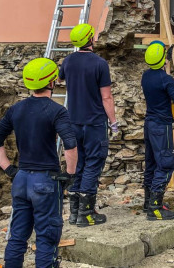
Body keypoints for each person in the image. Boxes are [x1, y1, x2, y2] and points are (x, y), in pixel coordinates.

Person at [0, 58, 78, 268]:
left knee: (18, 235)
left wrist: (10, 169)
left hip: (21, 180)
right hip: (46, 181)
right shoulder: (56, 111)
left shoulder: (16, 109)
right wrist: (70, 175)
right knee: (46, 237)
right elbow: (70, 145)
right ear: (52, 82)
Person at [59, 23, 118, 227]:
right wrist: (114, 122)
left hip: (73, 122)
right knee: (94, 162)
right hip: (94, 123)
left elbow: (61, 81)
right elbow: (107, 97)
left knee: (78, 164)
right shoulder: (99, 64)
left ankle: (75, 212)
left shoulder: (68, 61)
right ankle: (86, 213)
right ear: (91, 39)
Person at [141, 41, 174, 220]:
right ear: (164, 59)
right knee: (165, 164)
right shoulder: (166, 79)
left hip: (149, 124)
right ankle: (155, 208)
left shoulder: (146, 76)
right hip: (161, 127)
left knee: (152, 163)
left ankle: (148, 201)